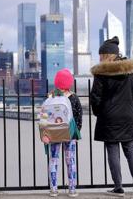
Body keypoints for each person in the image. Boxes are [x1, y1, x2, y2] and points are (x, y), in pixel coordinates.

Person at [90, 36, 133, 197]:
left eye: (101, 55)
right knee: (130, 150)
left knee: (112, 150)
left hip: (108, 117)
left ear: (106, 55)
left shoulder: (102, 73)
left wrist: (99, 112)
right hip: (126, 117)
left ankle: (118, 188)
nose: (100, 58)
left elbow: (95, 97)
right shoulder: (131, 70)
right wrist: (129, 108)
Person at [45, 68, 82, 197]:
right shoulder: (74, 98)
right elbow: (78, 117)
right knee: (70, 160)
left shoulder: (51, 97)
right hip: (69, 133)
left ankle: (54, 189)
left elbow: (46, 115)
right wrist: (76, 134)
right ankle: (72, 189)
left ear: (56, 82)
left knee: (53, 160)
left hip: (54, 133)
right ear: (69, 83)